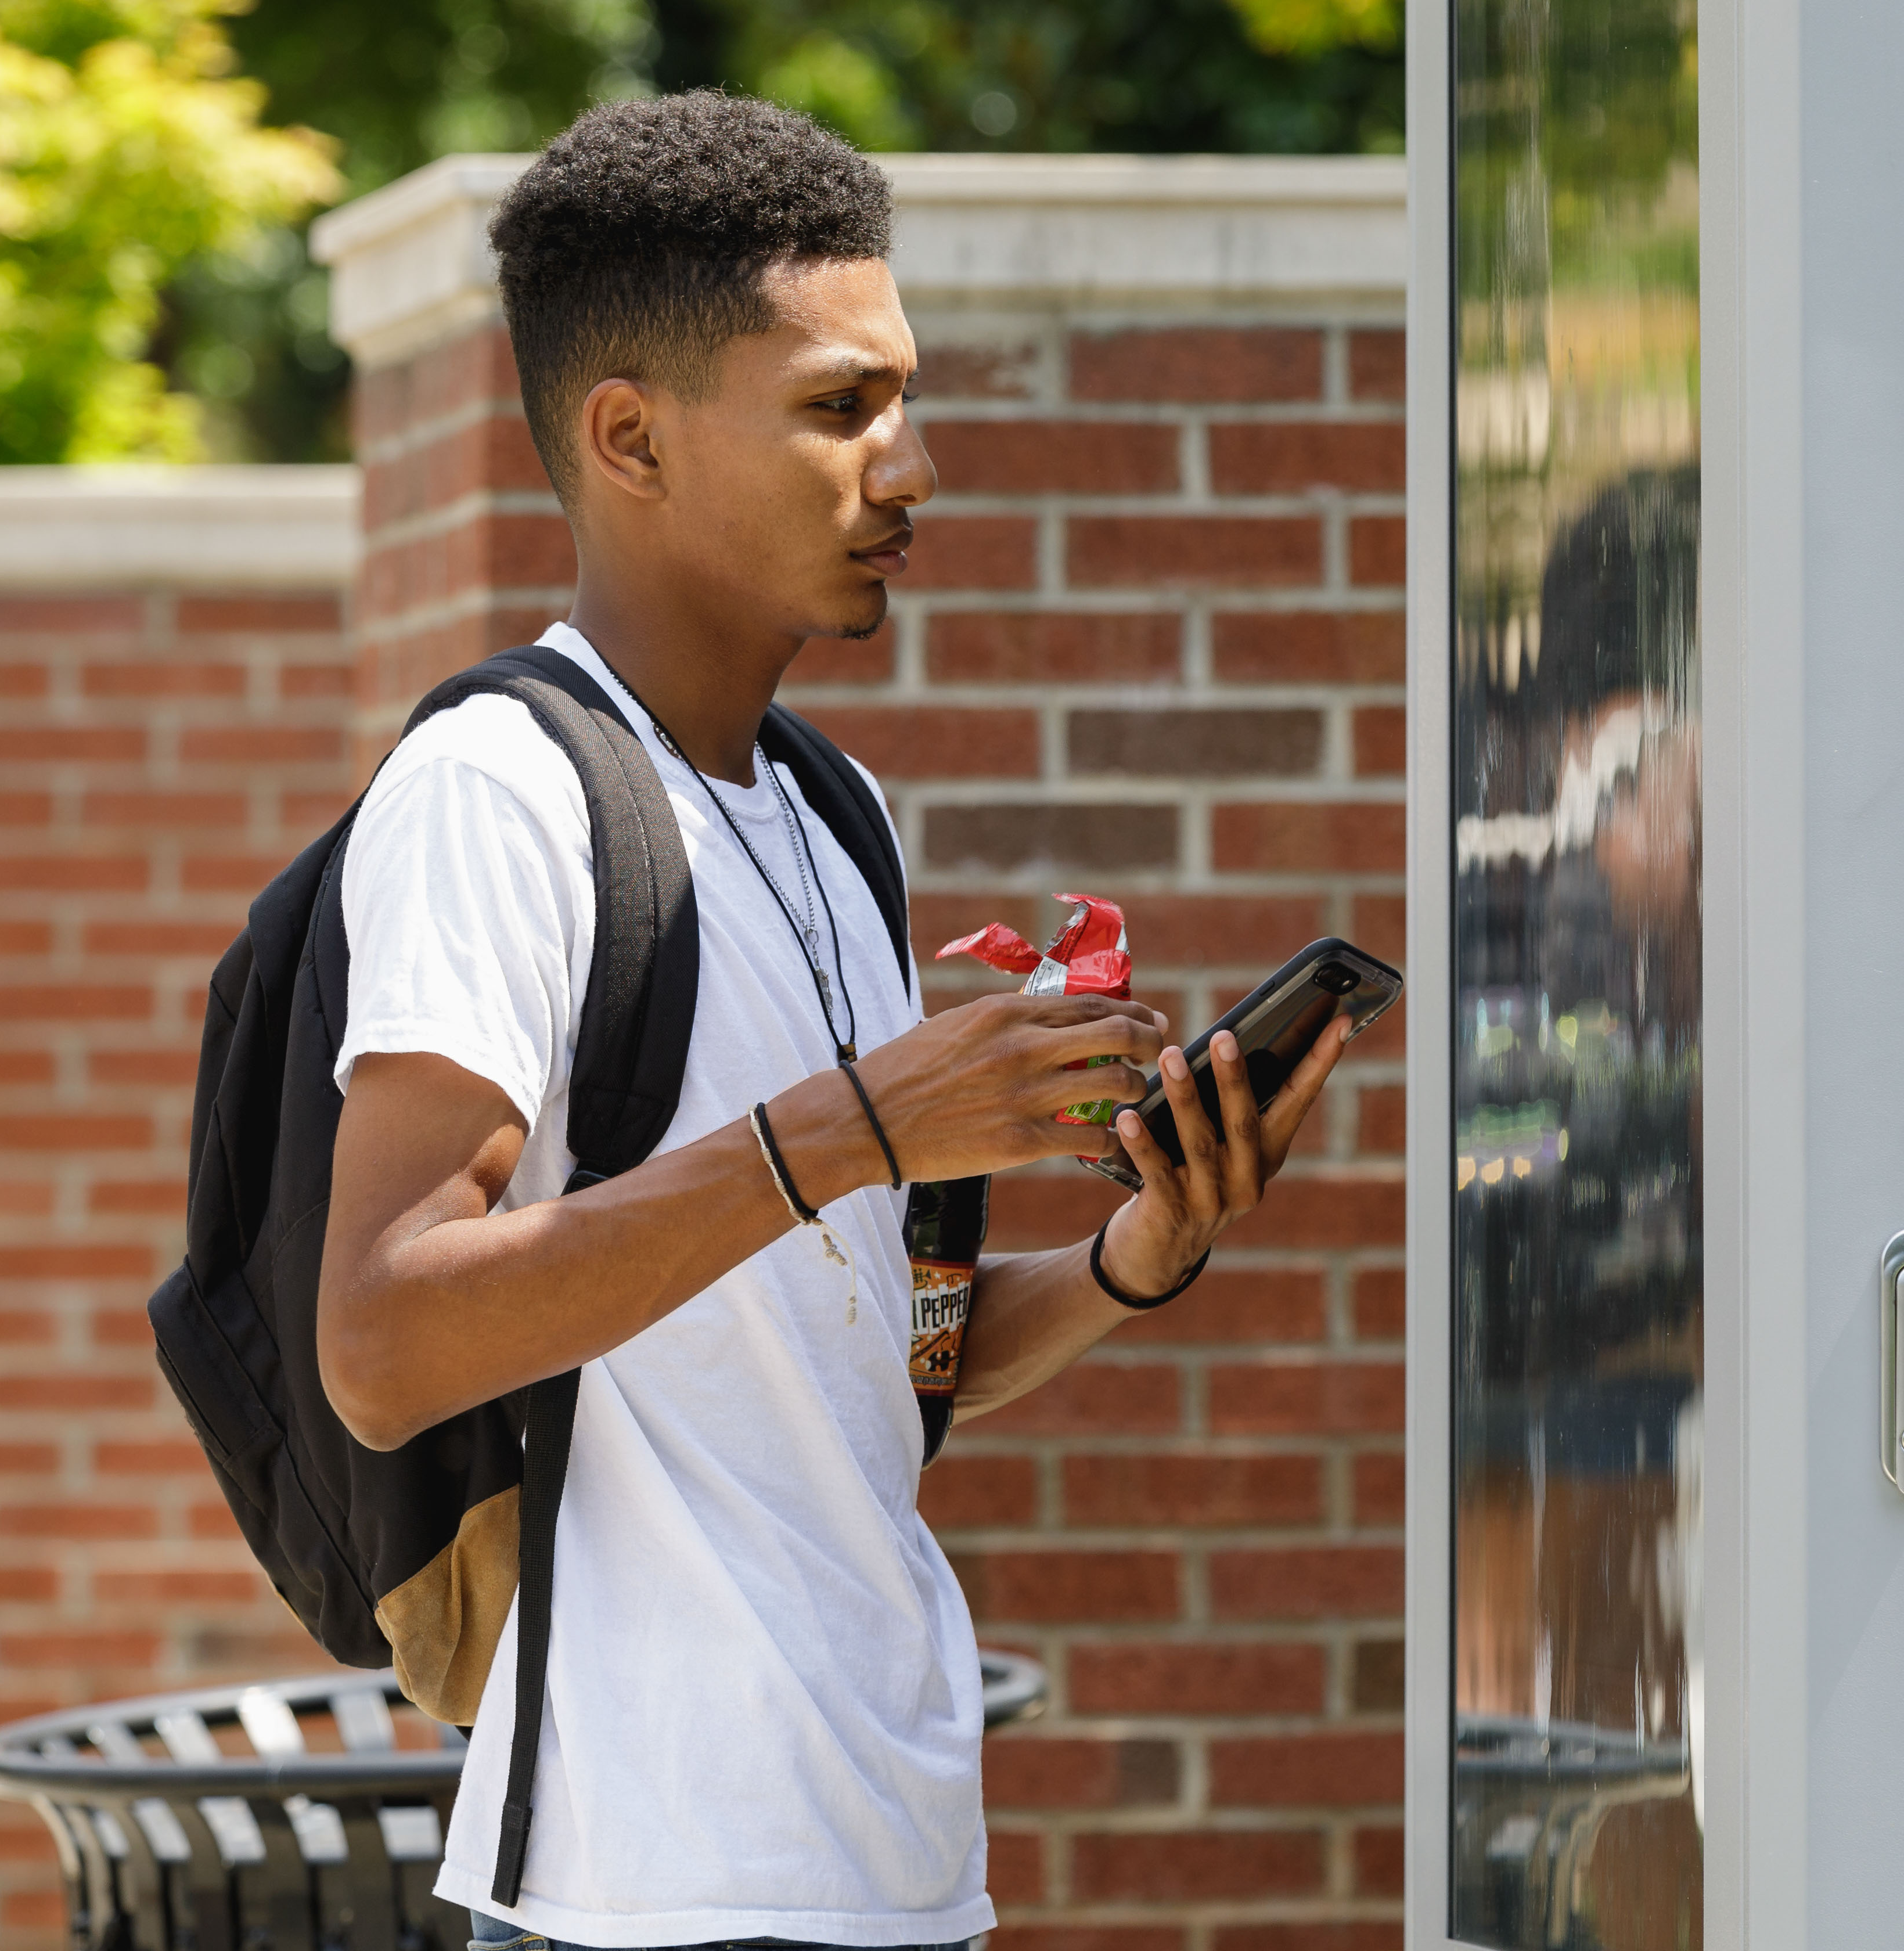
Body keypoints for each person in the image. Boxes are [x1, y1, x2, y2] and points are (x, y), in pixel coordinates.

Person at [311, 92, 1349, 1951]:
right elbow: (385, 1335)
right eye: (840, 406)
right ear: (627, 437)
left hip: (896, 1864)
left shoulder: (834, 810)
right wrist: (860, 1128)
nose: (913, 466)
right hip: (645, 1895)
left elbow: (874, 1375)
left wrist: (1135, 1252)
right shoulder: (498, 793)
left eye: (904, 398)